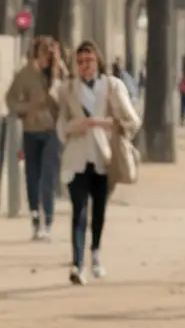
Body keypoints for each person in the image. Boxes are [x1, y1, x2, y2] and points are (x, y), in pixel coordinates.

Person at [55, 40, 140, 284]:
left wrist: (108, 124)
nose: (85, 66)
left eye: (89, 61)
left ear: (98, 61)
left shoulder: (112, 86)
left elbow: (131, 121)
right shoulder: (68, 89)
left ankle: (96, 253)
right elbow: (61, 125)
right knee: (79, 209)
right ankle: (77, 263)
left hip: (105, 156)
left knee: (99, 210)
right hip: (77, 156)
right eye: (80, 62)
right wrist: (79, 125)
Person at [6, 35, 64, 240]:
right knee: (32, 176)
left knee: (48, 177)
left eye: (50, 52)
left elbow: (69, 93)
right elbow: (10, 99)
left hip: (52, 131)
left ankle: (47, 220)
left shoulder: (58, 73)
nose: (46, 56)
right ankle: (35, 219)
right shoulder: (25, 74)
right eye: (43, 51)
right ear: (36, 52)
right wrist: (27, 108)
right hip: (30, 130)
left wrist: (58, 67)